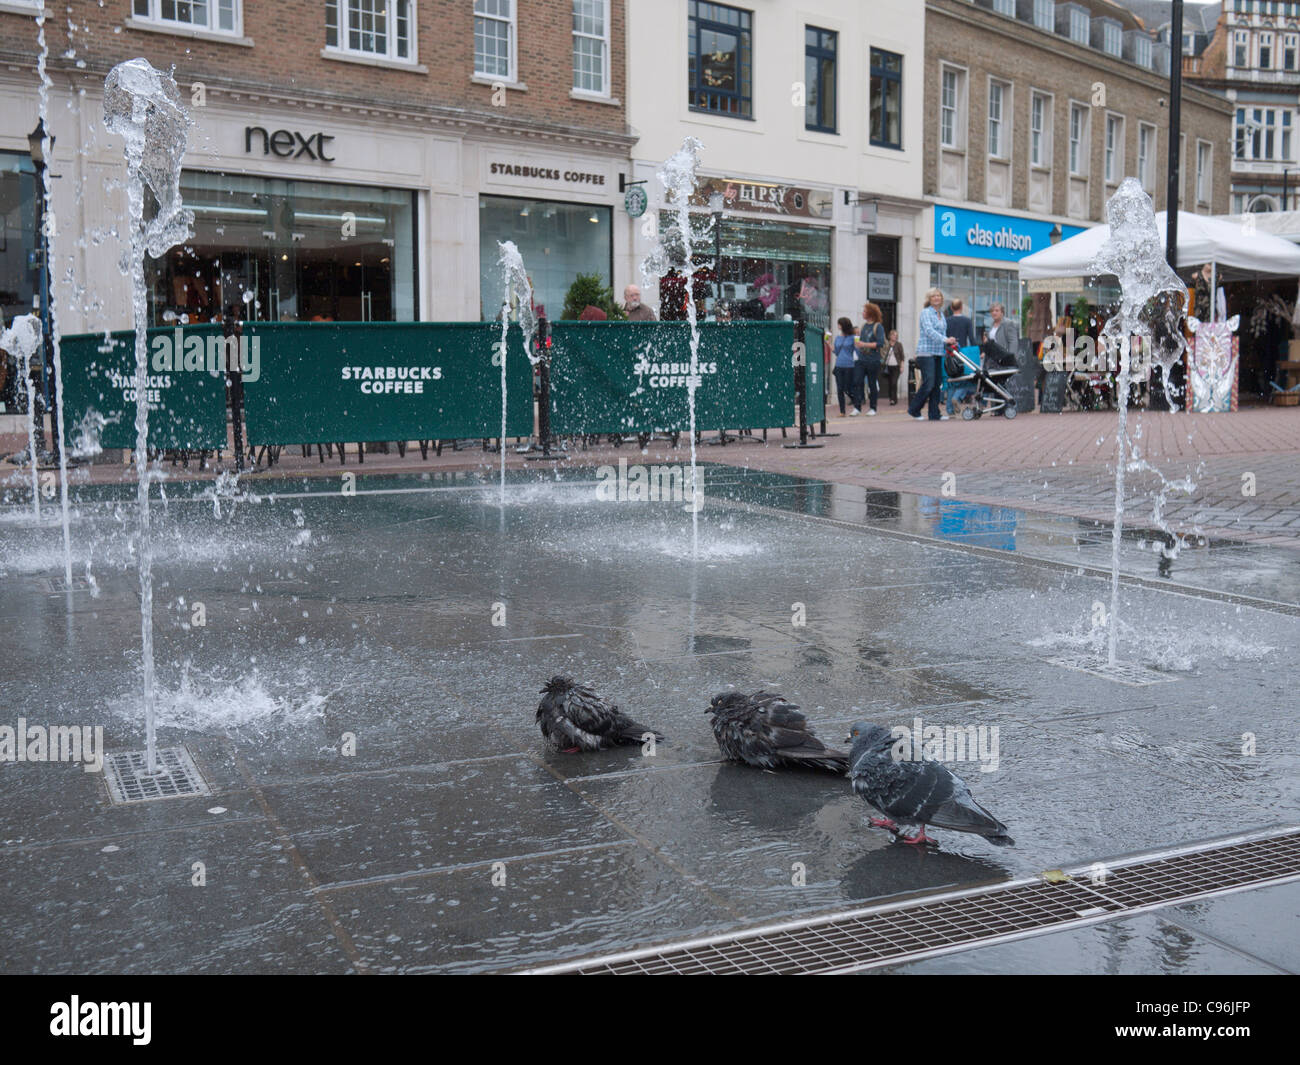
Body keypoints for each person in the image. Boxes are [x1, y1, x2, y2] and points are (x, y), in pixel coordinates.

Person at [910, 288, 949, 421]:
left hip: (938, 352)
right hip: (926, 352)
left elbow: (943, 332)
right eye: (933, 296)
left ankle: (934, 414)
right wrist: (945, 339)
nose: (936, 298)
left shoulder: (941, 314)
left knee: (937, 384)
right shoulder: (926, 313)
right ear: (929, 299)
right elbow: (928, 330)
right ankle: (914, 409)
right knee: (929, 382)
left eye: (938, 295)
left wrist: (949, 340)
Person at [858, 302, 886, 415]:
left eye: (865, 311)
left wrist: (864, 344)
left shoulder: (878, 326)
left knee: (872, 383)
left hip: (873, 359)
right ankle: (857, 406)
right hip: (862, 358)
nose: (863, 313)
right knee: (857, 381)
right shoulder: (863, 326)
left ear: (870, 313)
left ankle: (873, 408)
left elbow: (880, 343)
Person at [832, 316, 863, 416]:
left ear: (843, 325)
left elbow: (858, 352)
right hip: (838, 365)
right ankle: (842, 411)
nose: (838, 326)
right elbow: (836, 352)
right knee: (839, 389)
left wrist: (858, 346)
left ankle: (857, 404)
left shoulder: (853, 337)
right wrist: (828, 344)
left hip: (849, 365)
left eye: (839, 324)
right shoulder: (837, 338)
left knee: (848, 389)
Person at [883, 329, 903, 405]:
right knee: (890, 383)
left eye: (896, 335)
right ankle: (891, 398)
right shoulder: (887, 344)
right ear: (890, 336)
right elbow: (883, 353)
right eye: (893, 335)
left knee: (894, 382)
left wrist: (902, 366)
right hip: (888, 366)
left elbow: (902, 356)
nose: (895, 337)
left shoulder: (899, 345)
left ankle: (894, 399)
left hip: (896, 366)